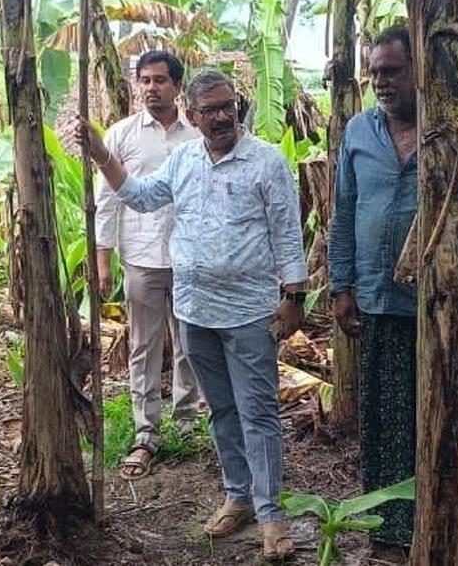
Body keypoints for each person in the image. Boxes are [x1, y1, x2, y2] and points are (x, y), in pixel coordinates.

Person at [82, 69, 307, 561]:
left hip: (249, 312)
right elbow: (139, 197)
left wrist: (295, 297)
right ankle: (237, 496)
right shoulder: (184, 161)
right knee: (222, 409)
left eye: (228, 106)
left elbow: (288, 233)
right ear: (193, 115)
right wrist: (102, 156)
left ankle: (271, 515)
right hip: (195, 310)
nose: (223, 116)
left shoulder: (266, 163)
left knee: (259, 412)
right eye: (211, 110)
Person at [326, 24, 418, 548]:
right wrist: (342, 287)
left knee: (433, 411)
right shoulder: (360, 131)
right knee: (382, 421)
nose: (380, 81)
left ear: (419, 69)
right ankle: (387, 526)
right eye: (374, 72)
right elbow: (343, 213)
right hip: (376, 300)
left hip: (437, 304)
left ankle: (435, 513)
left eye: (391, 71)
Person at [94, 50, 202, 480]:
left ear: (177, 85)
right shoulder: (119, 136)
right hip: (140, 256)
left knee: (189, 342)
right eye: (145, 80)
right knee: (143, 345)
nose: (152, 88)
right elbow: (106, 199)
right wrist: (102, 260)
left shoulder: (196, 135)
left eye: (160, 80)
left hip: (190, 256)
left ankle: (187, 420)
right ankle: (145, 428)